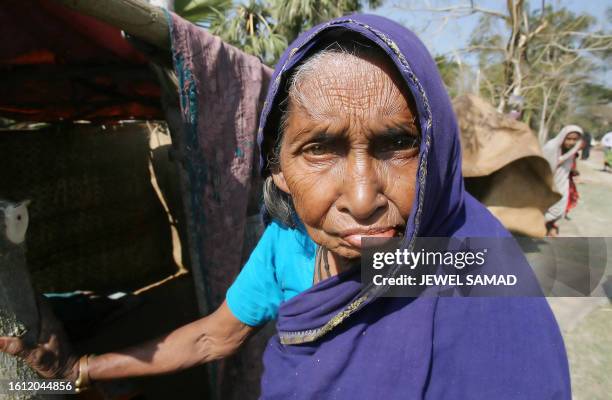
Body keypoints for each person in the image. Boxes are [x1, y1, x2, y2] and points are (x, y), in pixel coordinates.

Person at [0, 15, 570, 399]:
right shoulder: (286, 247)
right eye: (319, 149)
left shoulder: (460, 260)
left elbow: (582, 271)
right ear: (277, 170)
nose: (364, 197)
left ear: (439, 148)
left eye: (398, 143)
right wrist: (78, 371)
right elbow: (211, 337)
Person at [543, 125, 584, 236]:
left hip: (562, 182)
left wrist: (573, 171)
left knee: (558, 210)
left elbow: (570, 163)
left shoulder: (573, 150)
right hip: (547, 182)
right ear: (562, 136)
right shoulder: (551, 147)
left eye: (574, 139)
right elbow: (544, 167)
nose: (571, 142)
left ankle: (542, 225)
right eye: (569, 138)